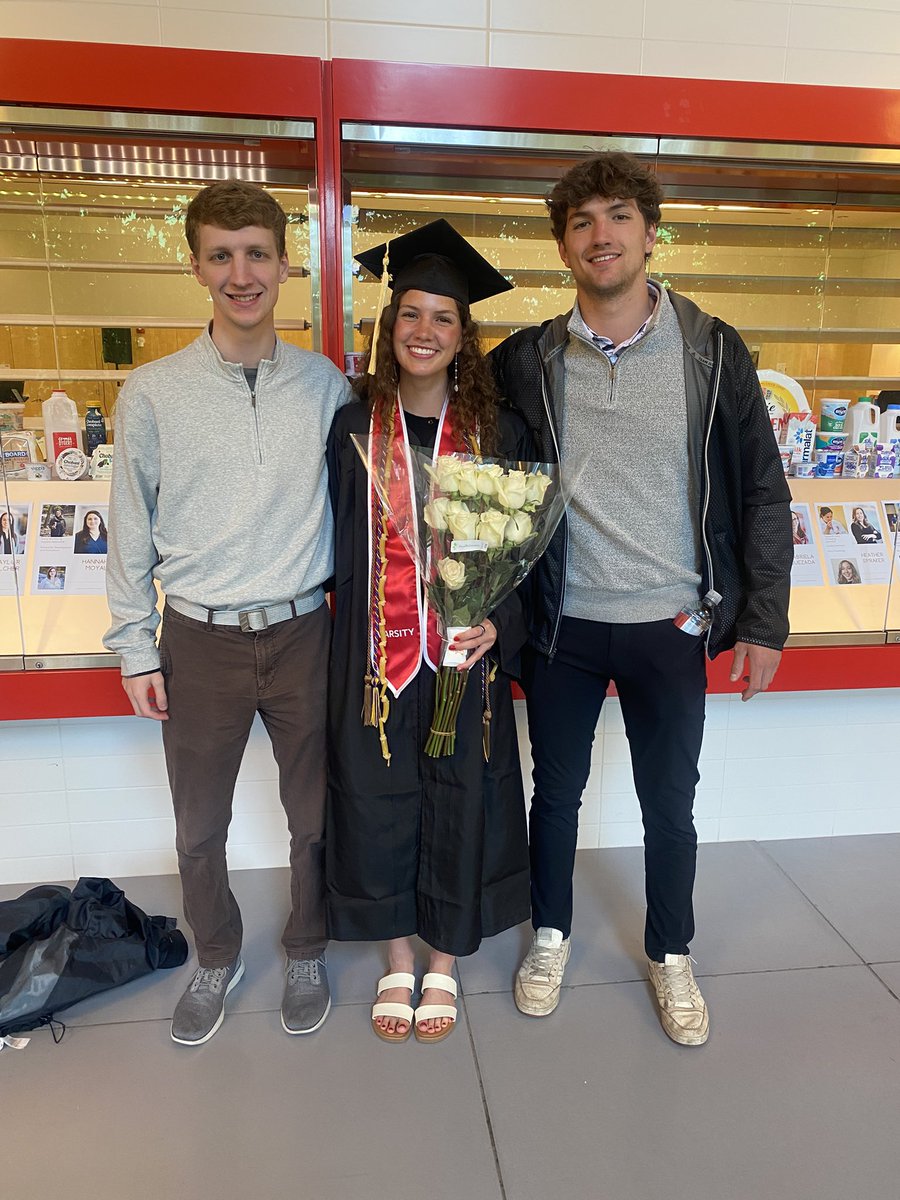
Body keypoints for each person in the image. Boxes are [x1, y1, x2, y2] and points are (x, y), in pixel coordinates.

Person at [490, 152, 793, 1046]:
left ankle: (671, 952)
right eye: (582, 222)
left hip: (671, 619)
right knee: (557, 794)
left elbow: (763, 491)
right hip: (563, 624)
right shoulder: (527, 359)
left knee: (671, 800)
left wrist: (763, 622)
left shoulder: (712, 348)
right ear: (563, 246)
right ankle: (550, 934)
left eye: (619, 216)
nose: (602, 235)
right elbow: (484, 473)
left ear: (651, 233)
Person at [104, 179, 351, 1046]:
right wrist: (136, 648)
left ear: (284, 265)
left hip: (302, 634)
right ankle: (217, 953)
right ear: (197, 266)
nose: (240, 273)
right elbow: (129, 525)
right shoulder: (153, 393)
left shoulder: (324, 386)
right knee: (199, 822)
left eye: (256, 254)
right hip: (199, 638)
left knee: (314, 814)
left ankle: (308, 945)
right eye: (221, 255)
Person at [326, 220, 530, 1043]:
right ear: (389, 327)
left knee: (458, 796)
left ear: (463, 336)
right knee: (376, 797)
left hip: (463, 663)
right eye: (409, 313)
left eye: (442, 318)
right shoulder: (347, 433)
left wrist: (497, 619)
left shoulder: (501, 435)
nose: (423, 331)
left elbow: (530, 562)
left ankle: (444, 962)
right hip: (375, 658)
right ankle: (399, 959)